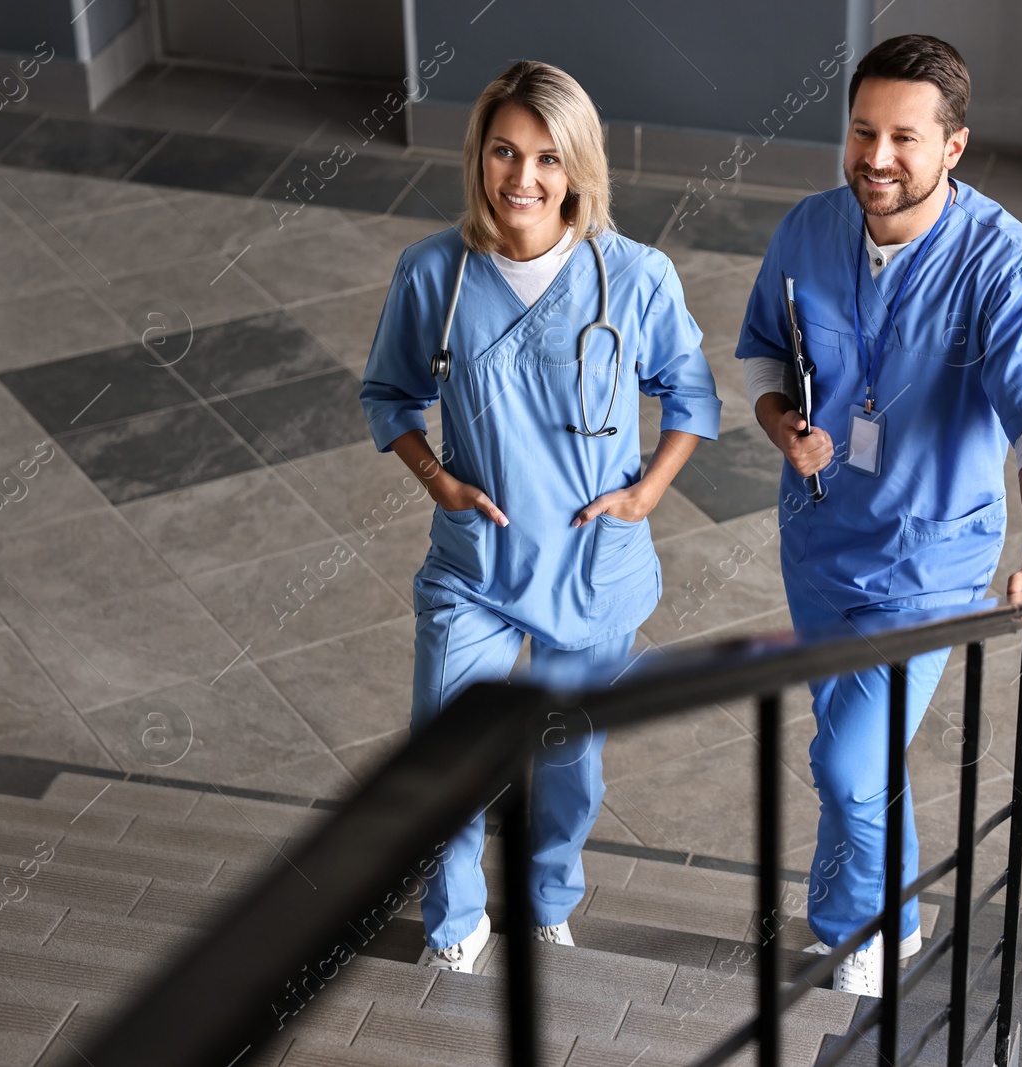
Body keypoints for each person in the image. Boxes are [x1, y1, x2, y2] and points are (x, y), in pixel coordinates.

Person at [734, 34, 1022, 997]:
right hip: (817, 537)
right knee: (852, 741)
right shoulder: (808, 230)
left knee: (848, 761)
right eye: (860, 132)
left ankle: (879, 928)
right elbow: (766, 348)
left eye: (902, 138)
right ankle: (856, 911)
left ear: (953, 147)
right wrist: (780, 424)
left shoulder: (1005, 263)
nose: (876, 158)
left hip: (926, 558)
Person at [360, 60, 721, 973]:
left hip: (589, 565)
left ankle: (547, 894)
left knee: (567, 766)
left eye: (548, 159)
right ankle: (455, 922)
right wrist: (437, 478)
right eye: (504, 152)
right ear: (479, 155)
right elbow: (388, 394)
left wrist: (646, 493)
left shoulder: (633, 275)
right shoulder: (435, 273)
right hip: (475, 564)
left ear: (579, 169)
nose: (523, 179)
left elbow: (691, 392)